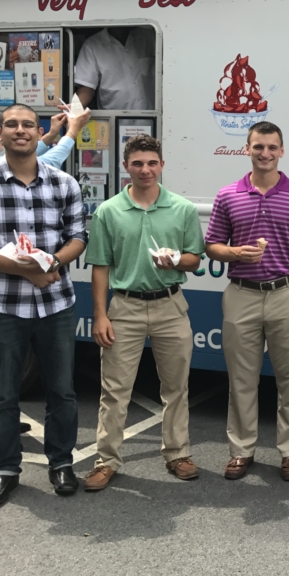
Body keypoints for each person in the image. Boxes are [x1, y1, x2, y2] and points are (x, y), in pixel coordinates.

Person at [0, 104, 86, 508]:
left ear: (38, 130)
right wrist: (26, 272)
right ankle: (5, 470)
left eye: (28, 124)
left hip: (56, 304)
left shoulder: (64, 183)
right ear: (1, 132)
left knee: (62, 391)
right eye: (11, 124)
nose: (20, 130)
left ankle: (61, 463)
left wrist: (54, 263)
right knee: (2, 394)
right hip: (1, 305)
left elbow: (78, 236)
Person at [82, 135, 206, 491]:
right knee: (115, 391)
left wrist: (176, 260)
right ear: (127, 167)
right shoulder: (108, 211)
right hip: (125, 306)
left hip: (170, 305)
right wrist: (100, 315)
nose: (145, 170)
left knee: (176, 387)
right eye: (138, 163)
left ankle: (177, 453)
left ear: (162, 165)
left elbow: (195, 260)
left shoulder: (182, 209)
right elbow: (100, 267)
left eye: (152, 163)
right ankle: (106, 460)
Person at [205, 121, 289, 482]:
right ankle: (241, 450)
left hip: (287, 293)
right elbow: (211, 246)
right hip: (241, 293)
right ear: (247, 149)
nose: (265, 153)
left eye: (272, 147)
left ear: (282, 151)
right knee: (241, 379)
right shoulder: (228, 195)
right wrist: (233, 253)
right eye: (259, 147)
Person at [73, 27, 155, 110]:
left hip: (153, 118)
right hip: (114, 119)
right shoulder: (92, 44)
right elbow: (87, 88)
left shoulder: (149, 36)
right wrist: (75, 110)